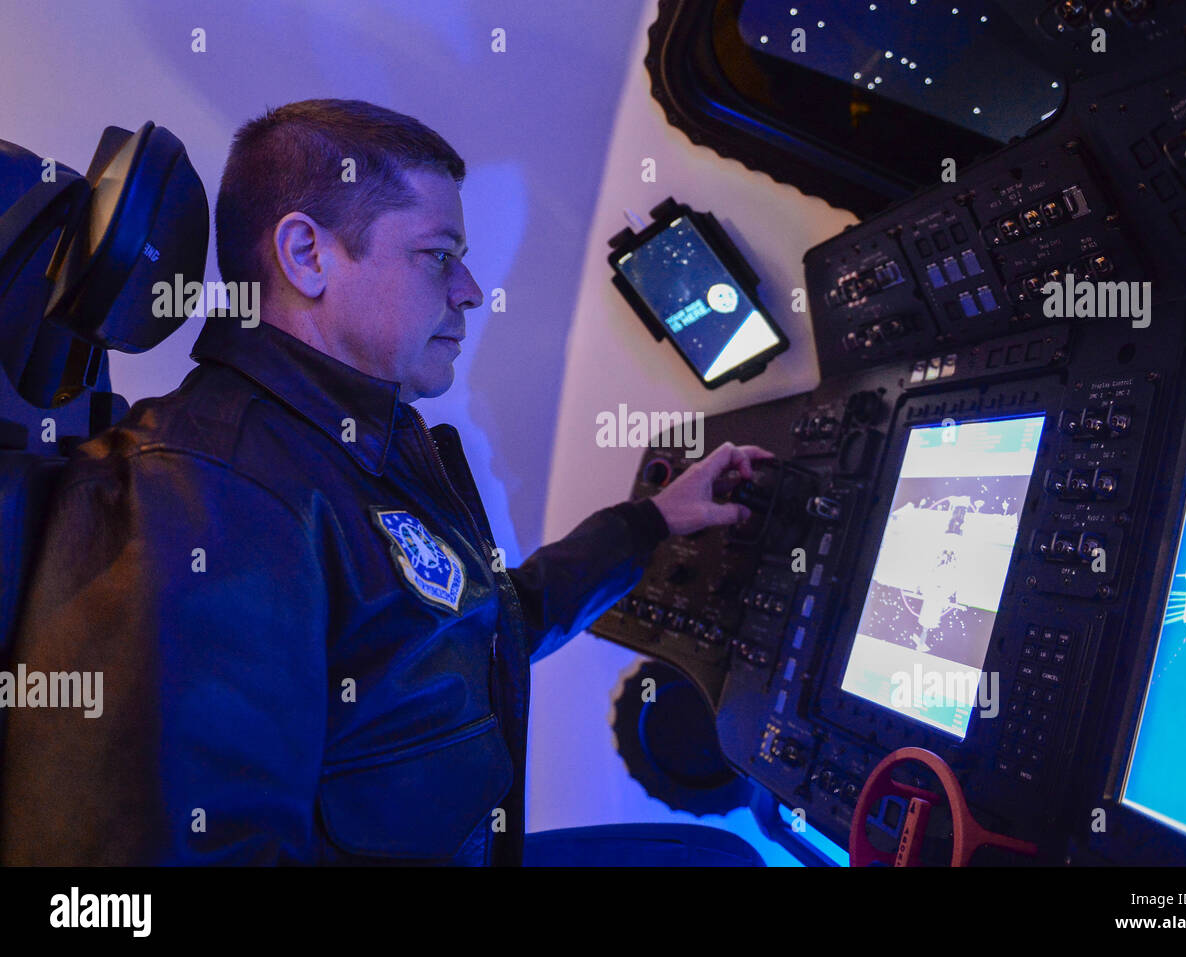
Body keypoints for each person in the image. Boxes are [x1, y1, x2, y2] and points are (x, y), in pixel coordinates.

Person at [0, 99, 773, 865]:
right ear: (306, 256)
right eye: (440, 254)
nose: (470, 288)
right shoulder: (208, 491)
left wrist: (651, 522)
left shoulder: (354, 448)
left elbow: (480, 629)